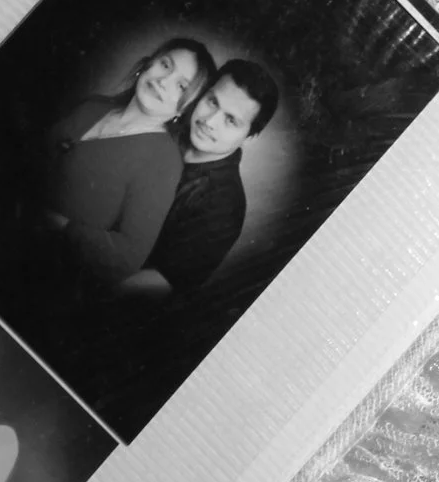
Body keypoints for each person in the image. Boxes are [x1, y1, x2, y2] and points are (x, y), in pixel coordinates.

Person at [40, 38, 219, 285]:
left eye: (181, 86)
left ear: (185, 109)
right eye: (165, 65)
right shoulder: (93, 105)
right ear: (148, 64)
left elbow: (127, 257)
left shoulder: (163, 162)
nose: (163, 81)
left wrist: (62, 226)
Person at [120, 60, 281, 298]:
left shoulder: (224, 206)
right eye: (212, 102)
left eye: (231, 120)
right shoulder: (170, 122)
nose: (209, 121)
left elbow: (165, 279)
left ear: (249, 137)